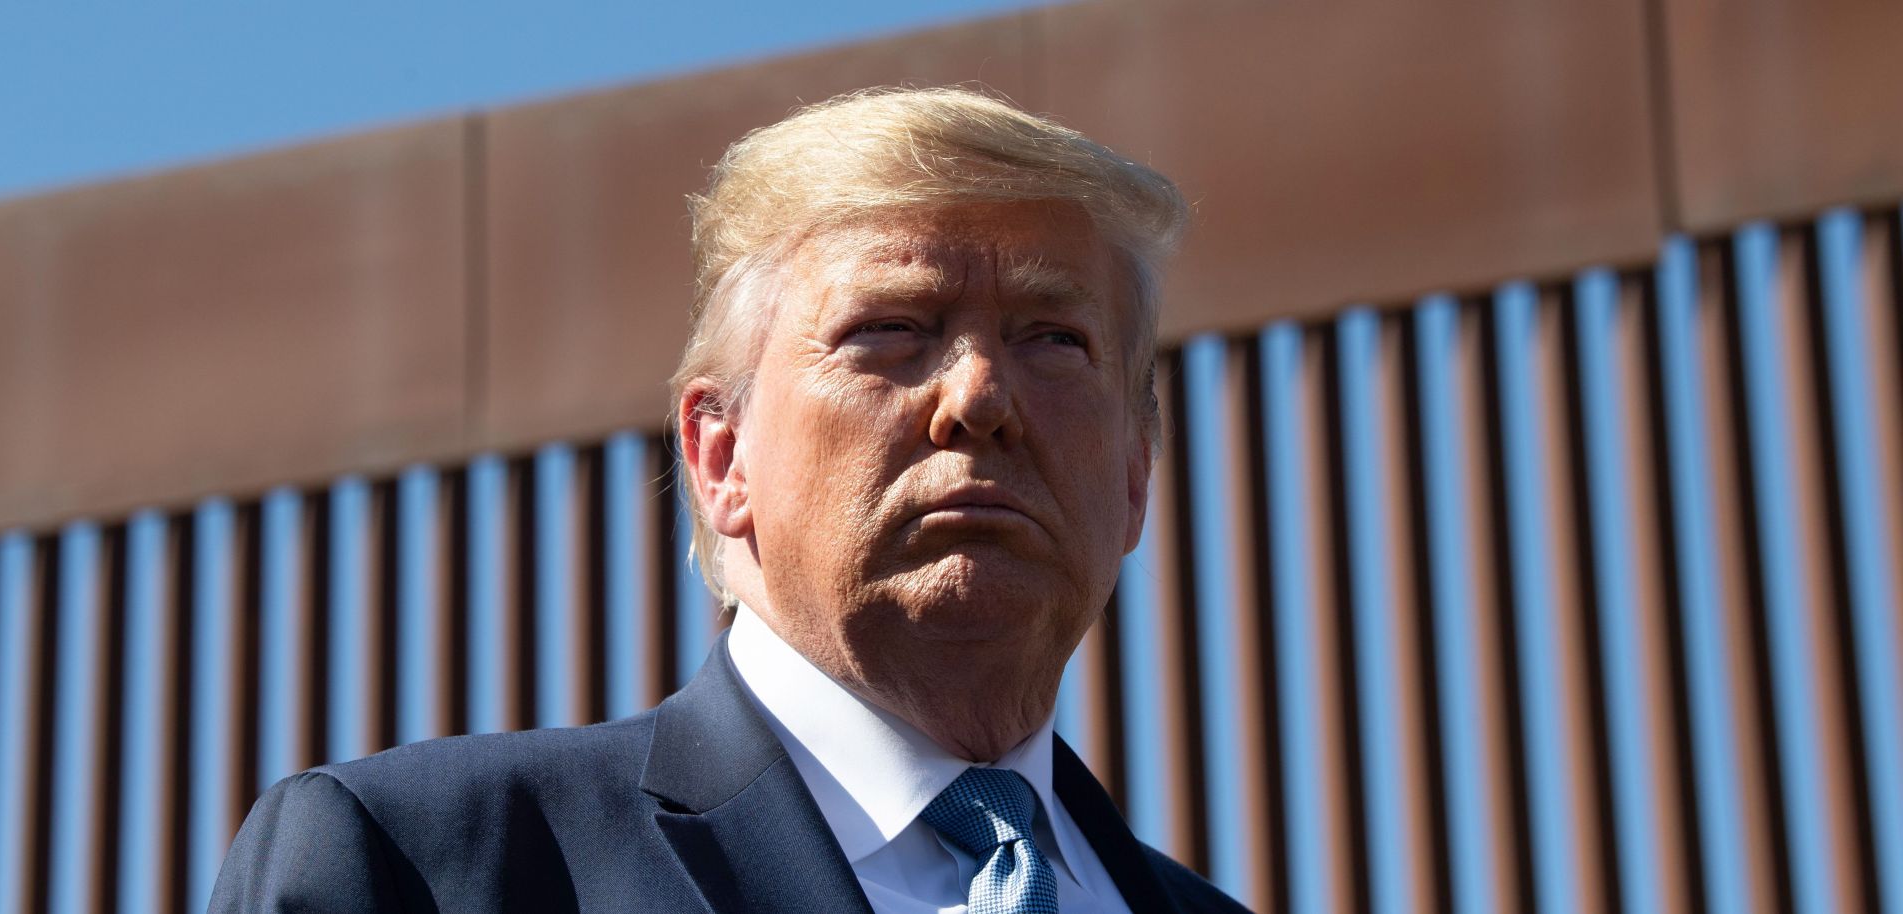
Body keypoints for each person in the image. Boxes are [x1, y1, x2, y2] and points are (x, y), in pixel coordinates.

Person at [210, 86, 1249, 914]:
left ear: (1134, 477)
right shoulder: (433, 867)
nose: (978, 395)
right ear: (721, 455)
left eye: (1054, 340)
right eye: (892, 329)